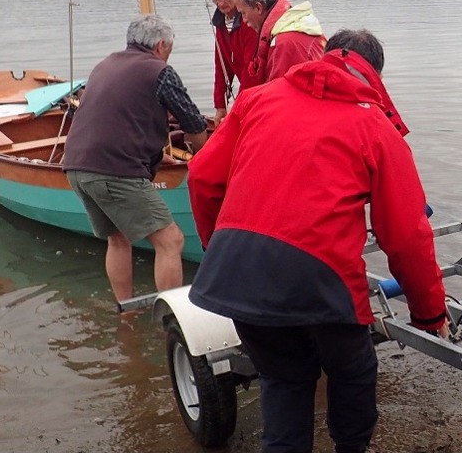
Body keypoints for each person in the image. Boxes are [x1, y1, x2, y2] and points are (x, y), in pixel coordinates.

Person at [187, 29, 447, 453]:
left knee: (284, 380)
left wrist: (222, 248)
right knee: (354, 371)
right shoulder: (372, 124)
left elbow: (201, 177)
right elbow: (406, 235)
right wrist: (430, 312)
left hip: (239, 273)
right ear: (374, 75)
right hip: (320, 275)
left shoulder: (257, 100)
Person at [63, 13, 208, 303]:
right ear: (161, 45)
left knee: (118, 239)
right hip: (115, 171)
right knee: (171, 240)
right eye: (169, 49)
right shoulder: (158, 71)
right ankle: (175, 318)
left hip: (76, 166)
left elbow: (117, 118)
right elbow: (193, 125)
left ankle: (125, 310)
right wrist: (206, 154)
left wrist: (155, 156)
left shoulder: (105, 64)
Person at [235, 0, 326, 83]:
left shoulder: (285, 43)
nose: (244, 20)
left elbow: (281, 93)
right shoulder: (299, 24)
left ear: (259, 8)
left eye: (243, 13)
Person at [204, 0, 259, 127]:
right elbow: (221, 66)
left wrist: (239, 106)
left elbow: (252, 69)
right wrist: (220, 105)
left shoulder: (249, 20)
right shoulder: (220, 22)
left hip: (258, 92)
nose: (220, 3)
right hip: (247, 93)